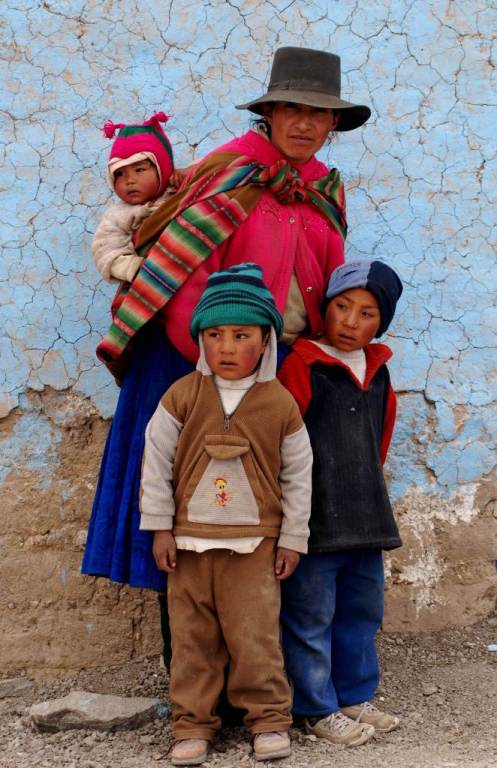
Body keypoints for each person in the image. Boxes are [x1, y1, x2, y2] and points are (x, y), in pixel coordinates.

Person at [82, 46, 370, 667]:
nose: (303, 123)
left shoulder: (324, 188)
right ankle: (191, 685)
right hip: (198, 361)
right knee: (191, 513)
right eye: (291, 109)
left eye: (318, 114)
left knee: (263, 516)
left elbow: (324, 282)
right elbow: (186, 279)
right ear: (269, 113)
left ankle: (262, 681)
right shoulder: (229, 172)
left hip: (281, 370)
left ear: (333, 125)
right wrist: (223, 376)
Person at [140, 263, 313, 765]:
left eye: (242, 335)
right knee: (193, 642)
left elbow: (299, 475)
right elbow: (156, 462)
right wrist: (160, 528)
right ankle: (192, 726)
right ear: (200, 340)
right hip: (188, 547)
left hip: (254, 548)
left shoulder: (279, 403)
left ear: (266, 340)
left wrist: (292, 538)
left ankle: (268, 721)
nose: (227, 347)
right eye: (215, 335)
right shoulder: (182, 396)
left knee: (255, 638)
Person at [277, 260, 403, 747]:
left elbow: (380, 441)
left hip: (367, 518)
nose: (350, 322)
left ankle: (354, 695)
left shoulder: (379, 371)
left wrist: (363, 486)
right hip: (314, 520)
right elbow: (283, 437)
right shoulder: (302, 364)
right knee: (311, 616)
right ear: (324, 308)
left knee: (361, 613)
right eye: (342, 307)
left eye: (367, 313)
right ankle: (315, 707)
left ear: (381, 322)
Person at [91, 111, 182, 285]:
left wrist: (186, 174)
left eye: (139, 170)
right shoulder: (118, 215)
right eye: (119, 174)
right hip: (150, 281)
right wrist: (131, 267)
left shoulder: (179, 190)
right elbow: (105, 248)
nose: (129, 180)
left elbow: (211, 173)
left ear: (162, 169)